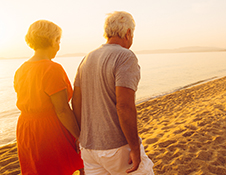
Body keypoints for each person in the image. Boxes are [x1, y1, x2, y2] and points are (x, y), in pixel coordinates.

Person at [72, 11, 154, 174]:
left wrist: (82, 135)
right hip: (116, 146)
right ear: (128, 33)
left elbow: (76, 101)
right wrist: (135, 147)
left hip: (89, 149)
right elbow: (124, 106)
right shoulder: (125, 57)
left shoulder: (87, 58)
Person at [14, 20, 84, 175]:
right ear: (52, 41)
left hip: (25, 128)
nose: (59, 46)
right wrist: (79, 136)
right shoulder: (52, 69)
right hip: (48, 130)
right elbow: (62, 110)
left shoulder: (21, 69)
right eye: (58, 41)